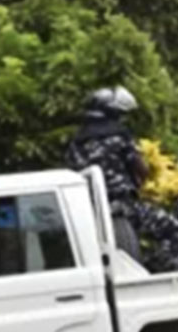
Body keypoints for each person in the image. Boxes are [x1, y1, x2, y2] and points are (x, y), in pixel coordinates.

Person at [64, 86, 150, 259]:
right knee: (173, 229)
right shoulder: (120, 136)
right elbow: (141, 169)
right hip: (124, 204)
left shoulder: (77, 141)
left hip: (89, 209)